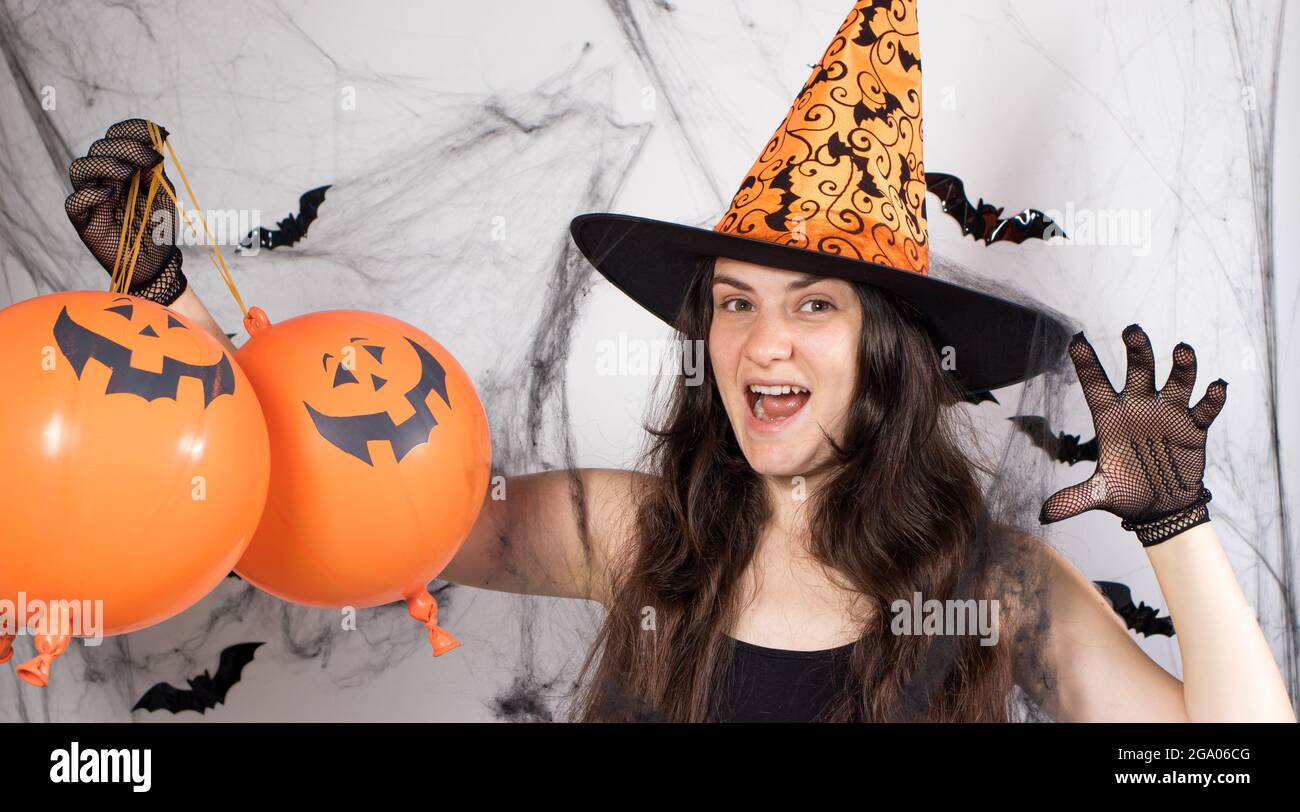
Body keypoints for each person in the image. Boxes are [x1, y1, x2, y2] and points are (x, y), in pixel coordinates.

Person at [63, 0, 1294, 723]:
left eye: (814, 303)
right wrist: (168, 319)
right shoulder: (634, 533)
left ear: (890, 354)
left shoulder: (998, 584)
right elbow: (346, 508)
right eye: (736, 302)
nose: (762, 339)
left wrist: (1177, 523)